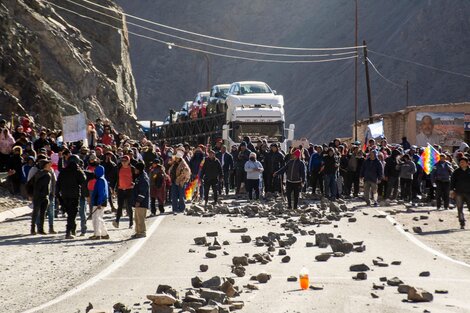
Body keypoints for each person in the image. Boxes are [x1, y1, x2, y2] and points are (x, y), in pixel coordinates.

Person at [56, 155, 86, 239]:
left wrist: (58, 195)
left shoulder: (63, 171)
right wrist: (84, 195)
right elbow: (83, 182)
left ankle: (73, 230)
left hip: (64, 196)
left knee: (70, 214)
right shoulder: (78, 171)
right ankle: (68, 232)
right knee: (72, 214)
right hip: (74, 196)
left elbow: (58, 184)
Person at [29, 159, 52, 235]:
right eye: (48, 165)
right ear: (45, 166)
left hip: (37, 195)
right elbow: (45, 187)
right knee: (42, 213)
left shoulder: (37, 173)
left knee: (36, 212)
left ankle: (33, 229)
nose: (50, 166)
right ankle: (40, 229)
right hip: (43, 196)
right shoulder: (47, 175)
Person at [113, 155, 135, 229]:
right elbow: (116, 178)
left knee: (129, 207)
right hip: (120, 189)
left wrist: (134, 184)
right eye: (122, 161)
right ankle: (117, 221)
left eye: (125, 161)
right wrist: (114, 189)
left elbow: (135, 178)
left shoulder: (132, 169)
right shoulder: (119, 168)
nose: (123, 162)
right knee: (120, 206)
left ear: (128, 161)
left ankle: (131, 223)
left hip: (129, 190)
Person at [89, 165, 110, 240]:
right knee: (99, 218)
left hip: (99, 202)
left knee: (96, 218)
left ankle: (97, 234)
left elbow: (101, 193)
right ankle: (104, 234)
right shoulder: (103, 179)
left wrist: (99, 203)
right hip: (102, 201)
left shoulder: (100, 180)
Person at [450, 157, 470, 229]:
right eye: (460, 162)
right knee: (459, 208)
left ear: (467, 163)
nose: (461, 163)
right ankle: (462, 223)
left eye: (463, 162)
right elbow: (452, 181)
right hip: (459, 193)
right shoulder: (456, 171)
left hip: (469, 193)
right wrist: (451, 190)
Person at [133, 162, 150, 238]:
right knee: (137, 218)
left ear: (138, 169)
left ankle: (142, 232)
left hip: (141, 202)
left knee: (140, 218)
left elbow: (143, 191)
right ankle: (138, 232)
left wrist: (138, 201)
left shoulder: (143, 178)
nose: (134, 170)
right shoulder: (139, 176)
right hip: (138, 201)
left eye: (135, 169)